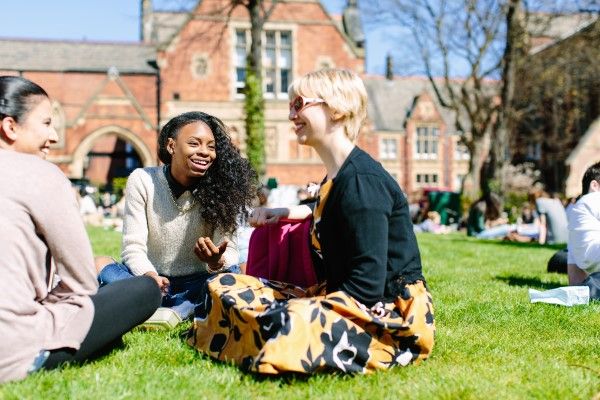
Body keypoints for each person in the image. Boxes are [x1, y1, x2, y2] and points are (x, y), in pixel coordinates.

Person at [188, 69, 434, 374]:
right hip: (339, 297)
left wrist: (302, 305)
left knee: (286, 320)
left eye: (299, 104)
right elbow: (324, 209)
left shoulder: (362, 181)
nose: (291, 114)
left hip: (384, 316)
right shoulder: (338, 176)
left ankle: (257, 336)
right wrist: (283, 213)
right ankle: (258, 334)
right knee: (224, 283)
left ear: (337, 109)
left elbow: (368, 286)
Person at [0, 75, 161, 383]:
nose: (55, 136)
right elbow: (81, 283)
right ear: (10, 127)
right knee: (145, 289)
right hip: (14, 351)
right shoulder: (43, 174)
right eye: (47, 123)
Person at [97, 111, 257, 321]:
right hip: (151, 282)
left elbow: (231, 251)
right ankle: (179, 307)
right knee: (99, 264)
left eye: (211, 147)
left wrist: (216, 261)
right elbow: (132, 247)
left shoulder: (223, 189)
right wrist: (150, 276)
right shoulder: (142, 180)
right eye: (194, 143)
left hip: (201, 282)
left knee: (236, 274)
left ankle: (158, 307)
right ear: (172, 146)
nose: (205, 152)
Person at [567, 162, 600, 298]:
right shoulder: (593, 198)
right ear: (594, 186)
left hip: (591, 266)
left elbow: (574, 280)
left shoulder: (576, 214)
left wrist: (578, 288)